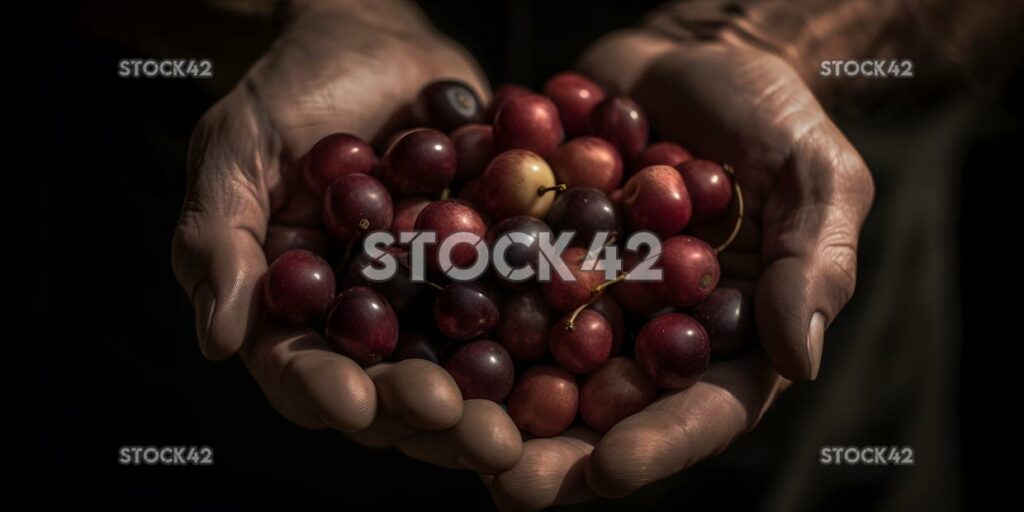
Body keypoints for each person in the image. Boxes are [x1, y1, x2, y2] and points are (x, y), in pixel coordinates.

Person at [170, 0, 1018, 509]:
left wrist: (767, 34)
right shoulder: (496, 232)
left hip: (804, 430)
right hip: (248, 425)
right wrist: (304, 10)